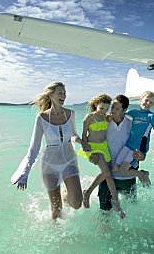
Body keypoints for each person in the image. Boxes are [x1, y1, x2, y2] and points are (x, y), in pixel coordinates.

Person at [10, 82, 91, 219]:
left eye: (64, 93)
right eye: (60, 92)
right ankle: (58, 237)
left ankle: (65, 194)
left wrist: (81, 141)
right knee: (56, 212)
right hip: (49, 165)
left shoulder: (70, 114)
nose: (63, 95)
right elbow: (34, 149)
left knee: (77, 203)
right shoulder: (41, 118)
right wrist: (24, 172)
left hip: (69, 160)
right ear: (51, 94)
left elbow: (73, 134)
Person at [90, 94, 146, 212]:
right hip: (107, 176)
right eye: (112, 107)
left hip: (128, 177)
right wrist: (92, 155)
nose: (112, 111)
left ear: (124, 110)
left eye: (116, 108)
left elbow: (141, 148)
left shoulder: (132, 125)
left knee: (132, 211)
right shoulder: (104, 124)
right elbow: (94, 141)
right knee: (105, 213)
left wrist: (141, 157)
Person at [78, 94, 125, 218]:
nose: (103, 111)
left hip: (104, 147)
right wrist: (87, 150)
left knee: (108, 175)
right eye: (101, 108)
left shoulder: (105, 117)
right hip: (94, 148)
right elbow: (83, 136)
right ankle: (88, 193)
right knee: (107, 173)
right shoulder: (88, 118)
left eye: (106, 109)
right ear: (96, 105)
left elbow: (118, 117)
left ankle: (115, 203)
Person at [113, 91, 154, 186]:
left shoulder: (151, 116)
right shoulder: (134, 113)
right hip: (128, 145)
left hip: (139, 149)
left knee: (123, 169)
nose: (148, 103)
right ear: (141, 99)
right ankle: (142, 173)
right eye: (146, 100)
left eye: (151, 102)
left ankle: (142, 175)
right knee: (116, 167)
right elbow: (121, 111)